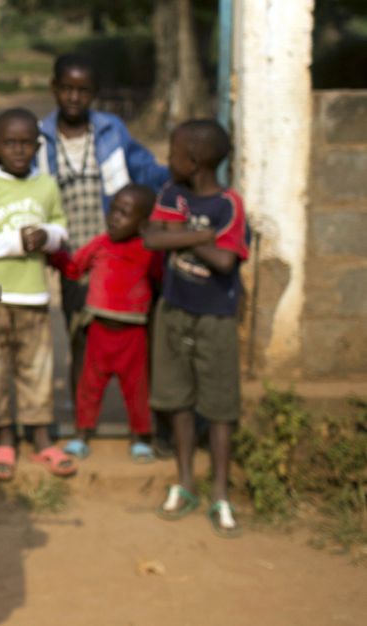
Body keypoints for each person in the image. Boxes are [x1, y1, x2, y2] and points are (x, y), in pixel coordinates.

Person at [36, 53, 169, 420]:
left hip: (117, 254)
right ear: (54, 89)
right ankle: (82, 419)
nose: (74, 98)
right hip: (74, 257)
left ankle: (141, 421)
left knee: (125, 336)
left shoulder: (110, 130)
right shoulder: (40, 137)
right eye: (67, 89)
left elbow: (146, 169)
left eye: (83, 91)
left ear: (93, 93)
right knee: (79, 333)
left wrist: (179, 182)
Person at [0, 108, 77, 481]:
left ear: (38, 146)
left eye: (26, 143)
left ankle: (41, 437)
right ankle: (3, 437)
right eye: (10, 143)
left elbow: (61, 229)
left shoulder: (46, 186)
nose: (19, 150)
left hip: (34, 295)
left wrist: (49, 237)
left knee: (37, 368)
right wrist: (16, 241)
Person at [143, 119, 249, 538]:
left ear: (194, 161)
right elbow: (151, 239)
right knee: (177, 399)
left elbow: (226, 262)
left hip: (215, 318)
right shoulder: (171, 193)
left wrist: (180, 235)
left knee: (219, 406)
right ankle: (185, 482)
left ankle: (220, 491)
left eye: (172, 153)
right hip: (174, 310)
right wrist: (201, 235)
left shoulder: (230, 205)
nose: (167, 160)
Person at [52, 184, 162, 462]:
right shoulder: (101, 243)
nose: (114, 217)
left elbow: (160, 279)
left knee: (136, 390)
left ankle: (140, 438)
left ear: (143, 223)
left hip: (133, 334)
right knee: (89, 387)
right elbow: (75, 268)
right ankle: (81, 435)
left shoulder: (148, 249)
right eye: (113, 209)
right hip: (100, 332)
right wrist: (54, 255)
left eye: (124, 213)